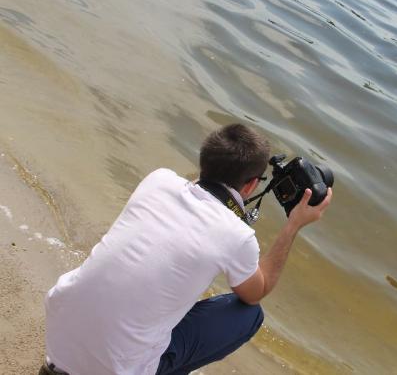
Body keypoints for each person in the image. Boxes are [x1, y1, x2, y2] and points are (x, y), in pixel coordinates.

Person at [41, 123, 332, 375]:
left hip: (59, 335)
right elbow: (258, 291)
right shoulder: (237, 235)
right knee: (248, 315)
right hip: (114, 367)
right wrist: (294, 224)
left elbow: (198, 200)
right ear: (251, 185)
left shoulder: (158, 180)